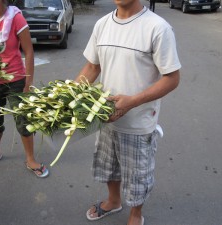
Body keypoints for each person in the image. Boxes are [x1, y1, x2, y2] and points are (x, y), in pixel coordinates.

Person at [75, 0, 181, 224]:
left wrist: (132, 102)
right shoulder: (102, 24)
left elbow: (172, 78)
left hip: (139, 123)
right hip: (105, 117)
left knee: (137, 175)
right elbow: (93, 67)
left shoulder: (157, 27)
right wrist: (69, 96)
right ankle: (113, 201)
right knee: (108, 166)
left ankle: (136, 215)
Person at [0, 0, 49, 178]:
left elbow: (28, 51)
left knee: (23, 119)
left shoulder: (16, 19)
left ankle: (30, 159)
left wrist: (28, 83)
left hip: (16, 79)